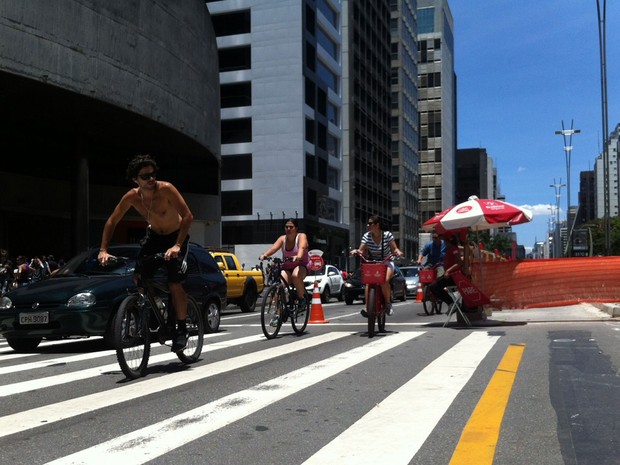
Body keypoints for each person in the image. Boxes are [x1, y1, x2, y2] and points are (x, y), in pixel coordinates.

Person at [98, 154, 194, 352]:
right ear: (135, 179)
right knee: (139, 277)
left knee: (174, 283)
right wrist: (103, 250)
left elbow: (187, 216)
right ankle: (151, 313)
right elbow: (112, 221)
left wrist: (177, 245)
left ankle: (182, 329)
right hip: (154, 238)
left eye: (153, 174)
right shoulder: (132, 197)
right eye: (145, 176)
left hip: (176, 237)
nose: (151, 179)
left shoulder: (166, 189)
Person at [259, 218, 310, 326]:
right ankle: (278, 315)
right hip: (287, 267)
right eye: (286, 227)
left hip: (301, 265)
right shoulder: (283, 239)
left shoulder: (301, 236)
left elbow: (302, 246)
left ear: (296, 228)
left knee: (296, 275)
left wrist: (298, 256)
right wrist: (265, 255)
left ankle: (302, 299)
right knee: (278, 287)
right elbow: (273, 248)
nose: (288, 229)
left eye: (291, 227)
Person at [350, 215, 403, 317]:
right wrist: (356, 251)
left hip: (386, 262)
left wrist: (398, 252)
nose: (368, 225)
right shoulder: (367, 236)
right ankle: (367, 307)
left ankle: (388, 303)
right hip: (373, 262)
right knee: (368, 283)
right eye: (368, 223)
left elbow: (395, 249)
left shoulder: (387, 235)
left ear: (377, 225)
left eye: (370, 223)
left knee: (384, 280)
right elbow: (361, 250)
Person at [429, 234, 464, 306]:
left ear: (449, 242)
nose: (444, 243)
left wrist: (448, 271)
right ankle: (451, 303)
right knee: (434, 286)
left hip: (454, 277)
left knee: (434, 287)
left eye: (445, 241)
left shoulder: (454, 249)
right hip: (449, 276)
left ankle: (451, 303)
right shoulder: (448, 250)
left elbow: (459, 263)